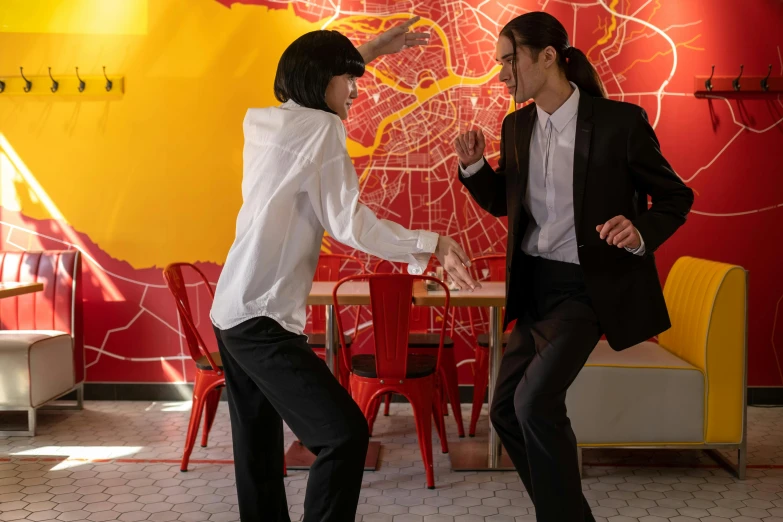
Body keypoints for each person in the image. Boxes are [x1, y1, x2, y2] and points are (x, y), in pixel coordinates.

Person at [210, 17, 480, 522]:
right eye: (349, 79)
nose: (357, 91)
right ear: (322, 80)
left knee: (258, 453)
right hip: (260, 319)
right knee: (344, 435)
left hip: (230, 311)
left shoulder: (267, 123)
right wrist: (434, 244)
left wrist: (369, 50)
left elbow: (312, 77)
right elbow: (351, 225)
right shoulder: (322, 128)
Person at [453, 11, 694, 522]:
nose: (501, 75)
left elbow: (675, 196)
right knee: (504, 412)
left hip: (587, 292)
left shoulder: (618, 124)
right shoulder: (516, 126)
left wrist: (639, 232)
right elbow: (507, 203)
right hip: (534, 290)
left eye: (508, 61)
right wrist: (475, 168)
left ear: (546, 56)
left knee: (535, 403)